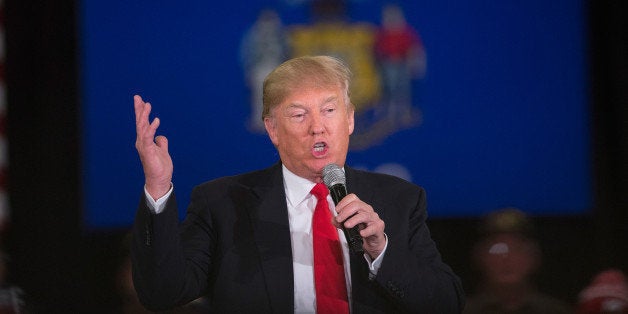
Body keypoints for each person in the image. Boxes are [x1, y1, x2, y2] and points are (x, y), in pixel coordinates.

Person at [131, 55, 464, 313]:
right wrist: (158, 187)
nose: (318, 128)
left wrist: (381, 250)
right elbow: (162, 294)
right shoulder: (222, 203)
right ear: (273, 129)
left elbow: (447, 305)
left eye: (329, 110)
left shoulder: (400, 200)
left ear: (349, 120)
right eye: (299, 115)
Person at [463, 208, 571, 314]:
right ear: (480, 257)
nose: (507, 258)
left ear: (534, 258)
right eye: (497, 250)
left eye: (517, 249)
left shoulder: (555, 311)